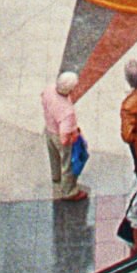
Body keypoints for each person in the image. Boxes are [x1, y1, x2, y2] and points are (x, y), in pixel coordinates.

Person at [43, 71, 88, 200]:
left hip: (49, 130)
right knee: (67, 163)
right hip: (60, 135)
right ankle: (69, 191)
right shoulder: (67, 112)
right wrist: (74, 136)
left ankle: (56, 177)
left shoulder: (49, 90)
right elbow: (64, 139)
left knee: (54, 156)